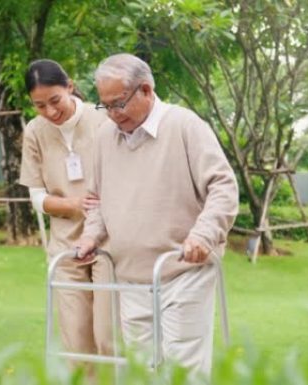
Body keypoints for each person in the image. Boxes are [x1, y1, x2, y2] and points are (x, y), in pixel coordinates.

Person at [76, 53, 239, 375]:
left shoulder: (184, 125)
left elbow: (223, 187)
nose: (111, 114)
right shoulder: (105, 138)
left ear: (146, 90)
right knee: (141, 370)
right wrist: (90, 235)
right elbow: (96, 198)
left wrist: (204, 234)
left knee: (181, 370)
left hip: (183, 269)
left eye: (118, 103)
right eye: (104, 105)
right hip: (131, 276)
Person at [19, 59, 113, 358]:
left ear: (70, 86)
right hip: (65, 247)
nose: (50, 112)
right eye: (39, 105)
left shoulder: (104, 121)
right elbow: (36, 196)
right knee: (76, 343)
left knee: (109, 336)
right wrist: (73, 205)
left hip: (108, 244)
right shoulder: (35, 132)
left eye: (55, 100)